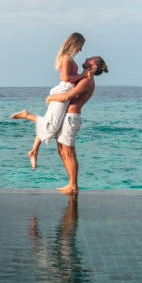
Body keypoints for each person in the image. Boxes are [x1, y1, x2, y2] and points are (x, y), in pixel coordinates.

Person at [10, 33, 92, 169]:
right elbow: (66, 78)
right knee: (52, 125)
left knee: (50, 122)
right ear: (75, 44)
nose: (81, 49)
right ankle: (27, 115)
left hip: (67, 91)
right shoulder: (66, 58)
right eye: (80, 46)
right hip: (63, 91)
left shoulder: (69, 58)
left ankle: (34, 151)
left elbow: (70, 78)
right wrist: (82, 75)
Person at [47, 56, 108, 194]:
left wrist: (50, 98)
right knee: (61, 150)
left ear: (94, 67)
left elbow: (68, 95)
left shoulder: (87, 80)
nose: (87, 58)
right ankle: (71, 183)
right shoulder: (83, 77)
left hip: (71, 118)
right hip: (67, 117)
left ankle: (74, 186)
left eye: (91, 59)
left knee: (69, 152)